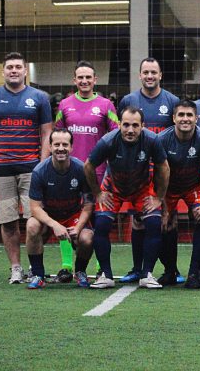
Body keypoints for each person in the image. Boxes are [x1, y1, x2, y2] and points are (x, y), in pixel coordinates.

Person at [0, 52, 53, 283]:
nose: (14, 70)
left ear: (25, 71)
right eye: (10, 67)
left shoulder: (39, 97)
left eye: (18, 66)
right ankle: (16, 268)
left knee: (35, 222)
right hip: (0, 169)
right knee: (7, 222)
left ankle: (33, 265)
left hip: (32, 169)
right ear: (3, 71)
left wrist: (42, 164)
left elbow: (47, 132)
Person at [84, 106, 170, 289]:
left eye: (135, 126)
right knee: (101, 225)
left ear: (142, 126)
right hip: (112, 188)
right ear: (119, 125)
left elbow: (164, 167)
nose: (130, 130)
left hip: (142, 188)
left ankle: (146, 274)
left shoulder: (152, 140)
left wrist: (159, 197)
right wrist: (98, 193)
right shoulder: (107, 141)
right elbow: (88, 166)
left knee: (154, 224)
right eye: (126, 125)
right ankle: (106, 275)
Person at [117, 57, 180, 284]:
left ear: (160, 75)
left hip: (163, 170)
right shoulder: (129, 100)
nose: (150, 76)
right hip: (138, 172)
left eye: (154, 72)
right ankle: (138, 268)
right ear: (140, 75)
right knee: (139, 220)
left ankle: (171, 270)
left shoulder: (172, 101)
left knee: (168, 218)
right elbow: (121, 134)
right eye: (146, 72)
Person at [54, 60, 118, 281]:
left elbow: (115, 137)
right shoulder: (64, 106)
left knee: (99, 221)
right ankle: (65, 266)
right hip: (69, 174)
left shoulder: (106, 105)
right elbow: (57, 138)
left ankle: (101, 266)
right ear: (74, 80)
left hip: (98, 174)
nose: (84, 81)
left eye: (88, 77)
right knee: (65, 215)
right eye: (80, 77)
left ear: (95, 80)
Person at [157, 100, 200, 288]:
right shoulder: (162, 139)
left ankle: (195, 273)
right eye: (181, 115)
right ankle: (170, 271)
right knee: (160, 223)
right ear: (173, 118)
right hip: (167, 188)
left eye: (189, 115)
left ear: (196, 118)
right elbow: (156, 175)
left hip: (193, 186)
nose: (185, 119)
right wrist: (164, 209)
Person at [26, 128, 94, 289]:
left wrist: (77, 228)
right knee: (32, 226)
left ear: (71, 147)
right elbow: (35, 208)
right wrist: (54, 225)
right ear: (50, 147)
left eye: (65, 144)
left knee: (87, 237)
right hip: (49, 216)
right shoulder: (39, 172)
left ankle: (80, 271)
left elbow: (89, 204)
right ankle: (38, 274)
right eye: (56, 144)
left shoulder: (81, 169)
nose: (61, 148)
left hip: (73, 214)